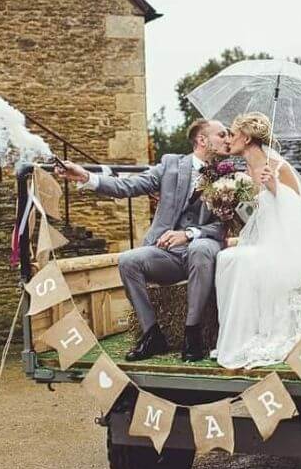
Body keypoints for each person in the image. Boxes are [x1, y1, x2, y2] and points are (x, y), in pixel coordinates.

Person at [55, 119, 229, 362]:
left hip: (203, 246)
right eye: (222, 135)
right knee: (128, 260)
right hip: (167, 253)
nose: (228, 139)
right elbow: (128, 185)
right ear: (202, 140)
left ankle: (193, 333)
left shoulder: (230, 174)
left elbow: (223, 225)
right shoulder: (171, 165)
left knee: (200, 248)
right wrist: (86, 176)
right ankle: (152, 334)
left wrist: (189, 234)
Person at [213, 112, 301, 369]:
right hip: (265, 240)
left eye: (233, 134)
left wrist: (276, 188)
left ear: (246, 138)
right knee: (227, 257)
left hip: (287, 246)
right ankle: (237, 336)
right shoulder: (246, 170)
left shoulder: (279, 167)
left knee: (241, 260)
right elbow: (255, 215)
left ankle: (263, 335)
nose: (229, 140)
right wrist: (229, 203)